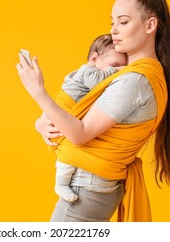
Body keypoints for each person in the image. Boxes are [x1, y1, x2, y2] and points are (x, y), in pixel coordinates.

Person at [16, 0, 170, 222]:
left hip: (85, 190)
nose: (114, 30)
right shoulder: (140, 75)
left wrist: (38, 92)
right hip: (94, 187)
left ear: (150, 25)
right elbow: (77, 114)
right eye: (113, 22)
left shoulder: (135, 81)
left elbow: (80, 133)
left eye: (123, 22)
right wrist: (43, 123)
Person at [53, 34, 126, 202]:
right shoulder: (88, 71)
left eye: (123, 66)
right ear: (94, 58)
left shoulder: (93, 70)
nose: (120, 69)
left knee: (73, 151)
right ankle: (61, 184)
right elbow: (97, 82)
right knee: (69, 155)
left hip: (71, 117)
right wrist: (117, 71)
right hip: (67, 111)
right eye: (115, 65)